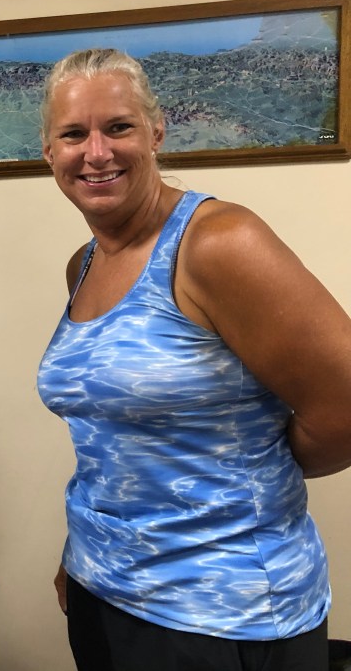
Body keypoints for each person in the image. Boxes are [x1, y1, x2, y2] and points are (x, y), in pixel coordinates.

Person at [36, 48, 351, 671]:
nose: (96, 152)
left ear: (156, 131)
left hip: (225, 615)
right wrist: (89, 554)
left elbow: (344, 408)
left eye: (118, 127)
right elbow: (114, 439)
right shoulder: (85, 264)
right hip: (104, 589)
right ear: (49, 152)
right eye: (73, 134)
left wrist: (253, 474)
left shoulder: (218, 243)